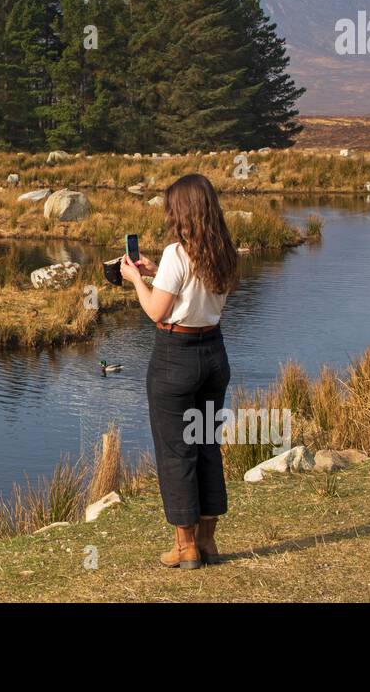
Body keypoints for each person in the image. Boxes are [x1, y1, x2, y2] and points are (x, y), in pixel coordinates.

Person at [119, 173, 238, 570]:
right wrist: (156, 272)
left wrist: (137, 278)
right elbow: (195, 293)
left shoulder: (177, 252)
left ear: (183, 210)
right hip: (214, 354)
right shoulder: (223, 251)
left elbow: (157, 311)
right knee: (206, 444)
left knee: (176, 451)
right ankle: (208, 542)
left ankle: (185, 547)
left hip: (176, 358)